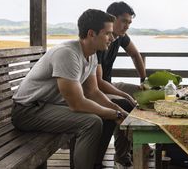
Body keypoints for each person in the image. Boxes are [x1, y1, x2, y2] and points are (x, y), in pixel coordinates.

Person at [12, 9, 128, 169]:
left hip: (48, 106)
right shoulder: (67, 54)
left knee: (103, 114)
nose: (112, 38)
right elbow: (77, 104)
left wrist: (118, 110)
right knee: (91, 122)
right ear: (91, 33)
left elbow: (92, 92)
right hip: (27, 111)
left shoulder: (92, 55)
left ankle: (92, 163)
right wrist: (116, 114)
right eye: (108, 33)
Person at [95, 1, 147, 167]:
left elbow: (135, 54)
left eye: (129, 23)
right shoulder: (99, 40)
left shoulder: (121, 37)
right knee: (126, 103)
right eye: (124, 21)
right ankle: (122, 154)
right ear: (112, 19)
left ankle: (143, 143)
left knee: (141, 94)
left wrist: (143, 80)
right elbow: (97, 83)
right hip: (95, 88)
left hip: (108, 84)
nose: (126, 26)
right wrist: (123, 95)